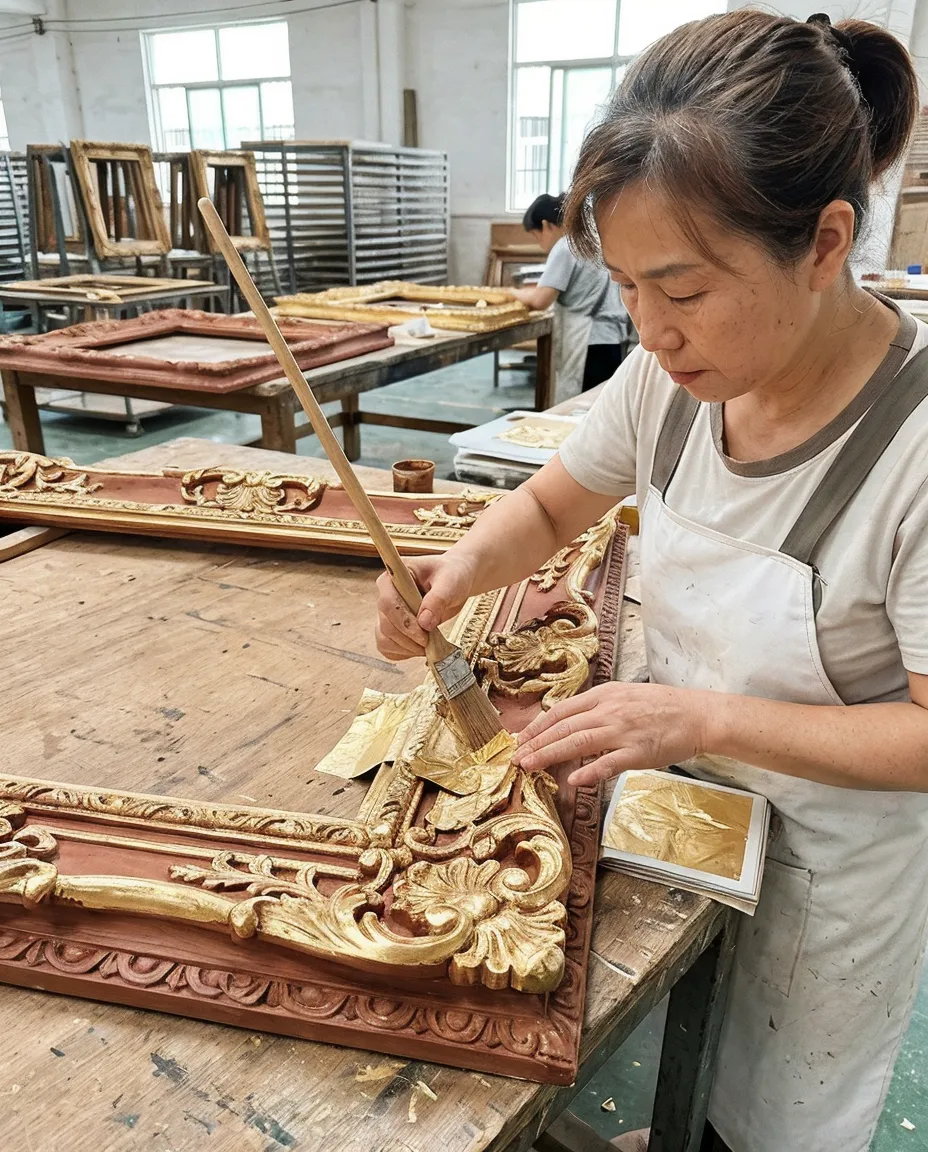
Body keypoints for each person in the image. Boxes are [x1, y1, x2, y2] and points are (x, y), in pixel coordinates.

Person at [375, 10, 928, 1152]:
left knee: (762, 1119)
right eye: (625, 286)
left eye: (681, 289)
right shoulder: (668, 379)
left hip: (827, 875)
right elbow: (548, 507)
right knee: (655, 1058)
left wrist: (701, 716)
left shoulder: (912, 449)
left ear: (825, 243)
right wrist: (457, 571)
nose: (652, 331)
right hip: (673, 817)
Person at [509, 192, 629, 392]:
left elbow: (541, 300)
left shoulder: (566, 246)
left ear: (546, 225)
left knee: (581, 404)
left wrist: (511, 293)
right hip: (612, 340)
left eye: (537, 236)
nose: (540, 244)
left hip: (589, 342)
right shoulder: (593, 240)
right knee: (601, 401)